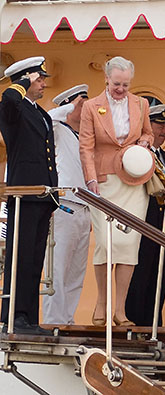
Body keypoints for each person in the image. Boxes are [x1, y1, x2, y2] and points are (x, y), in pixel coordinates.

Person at [79, 56, 154, 327]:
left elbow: (149, 133)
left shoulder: (141, 103)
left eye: (125, 84)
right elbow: (86, 147)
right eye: (116, 84)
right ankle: (101, 304)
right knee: (106, 243)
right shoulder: (91, 106)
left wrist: (144, 142)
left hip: (133, 180)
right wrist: (90, 180)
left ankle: (120, 311)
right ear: (106, 80)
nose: (121, 89)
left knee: (129, 244)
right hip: (103, 181)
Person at [0, 56, 57, 335]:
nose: (44, 83)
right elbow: (9, 99)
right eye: (40, 78)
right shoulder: (14, 108)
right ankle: (13, 316)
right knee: (19, 256)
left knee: (34, 259)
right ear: (26, 79)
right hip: (24, 193)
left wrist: (53, 191)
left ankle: (29, 318)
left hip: (42, 196)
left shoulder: (41, 113)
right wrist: (22, 81)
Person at [125, 103, 165, 327]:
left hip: (163, 224)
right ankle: (135, 320)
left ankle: (154, 321)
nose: (164, 131)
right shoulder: (138, 154)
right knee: (140, 273)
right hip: (143, 222)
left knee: (160, 275)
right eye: (160, 125)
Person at [41, 84, 91, 325]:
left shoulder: (83, 135)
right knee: (57, 268)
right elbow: (47, 117)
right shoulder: (57, 129)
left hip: (84, 207)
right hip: (63, 204)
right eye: (83, 102)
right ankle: (53, 320)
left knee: (76, 272)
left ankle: (67, 319)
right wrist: (71, 105)